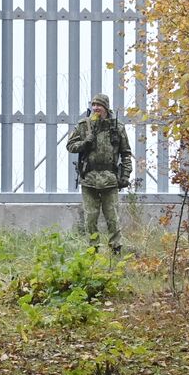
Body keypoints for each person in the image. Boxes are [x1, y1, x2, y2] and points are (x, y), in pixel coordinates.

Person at [66, 93, 134, 255]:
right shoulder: (84, 125)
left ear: (106, 108)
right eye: (94, 105)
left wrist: (125, 175)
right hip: (89, 177)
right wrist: (84, 143)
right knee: (91, 216)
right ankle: (93, 248)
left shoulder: (117, 127)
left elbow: (126, 153)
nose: (96, 108)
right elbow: (70, 146)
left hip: (110, 178)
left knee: (112, 216)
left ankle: (115, 248)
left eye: (99, 105)